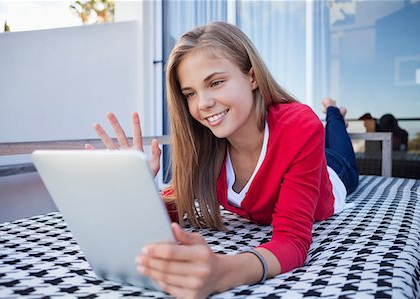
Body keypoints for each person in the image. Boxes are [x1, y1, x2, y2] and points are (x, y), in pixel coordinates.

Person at [86, 22, 359, 298]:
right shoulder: (206, 145)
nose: (202, 103)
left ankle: (335, 112)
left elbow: (292, 242)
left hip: (333, 175)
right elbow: (170, 214)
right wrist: (136, 192)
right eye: (190, 93)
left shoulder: (299, 125)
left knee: (338, 143)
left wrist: (222, 271)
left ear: (252, 77)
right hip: (301, 154)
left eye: (215, 83)